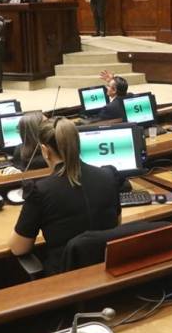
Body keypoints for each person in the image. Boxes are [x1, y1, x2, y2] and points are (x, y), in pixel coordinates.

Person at [8, 117, 122, 275]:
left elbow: (18, 248)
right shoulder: (108, 176)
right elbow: (116, 225)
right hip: (109, 272)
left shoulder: (40, 191)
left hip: (66, 281)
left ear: (45, 151)